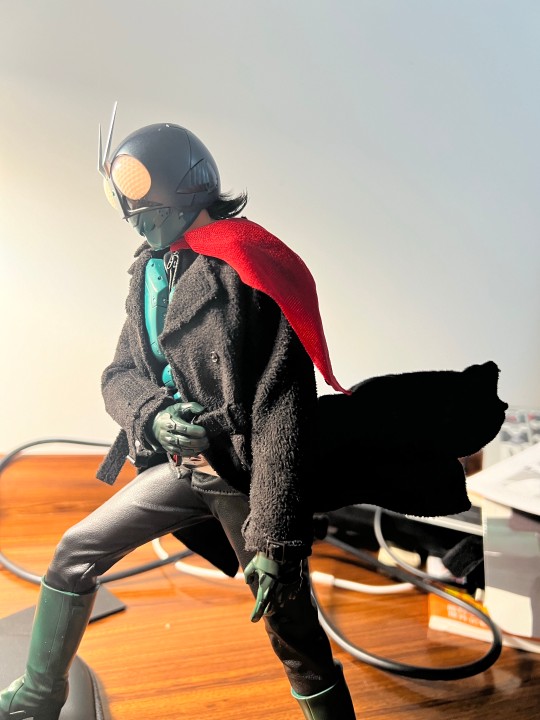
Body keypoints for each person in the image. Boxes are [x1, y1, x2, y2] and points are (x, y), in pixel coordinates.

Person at [0, 111, 358, 719]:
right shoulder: (149, 269)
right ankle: (37, 696)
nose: (133, 219)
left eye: (143, 205)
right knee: (74, 552)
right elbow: (120, 374)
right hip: (182, 463)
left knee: (289, 623)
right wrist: (153, 416)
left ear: (184, 190)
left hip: (244, 475)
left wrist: (275, 535)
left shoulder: (249, 267)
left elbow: (282, 407)